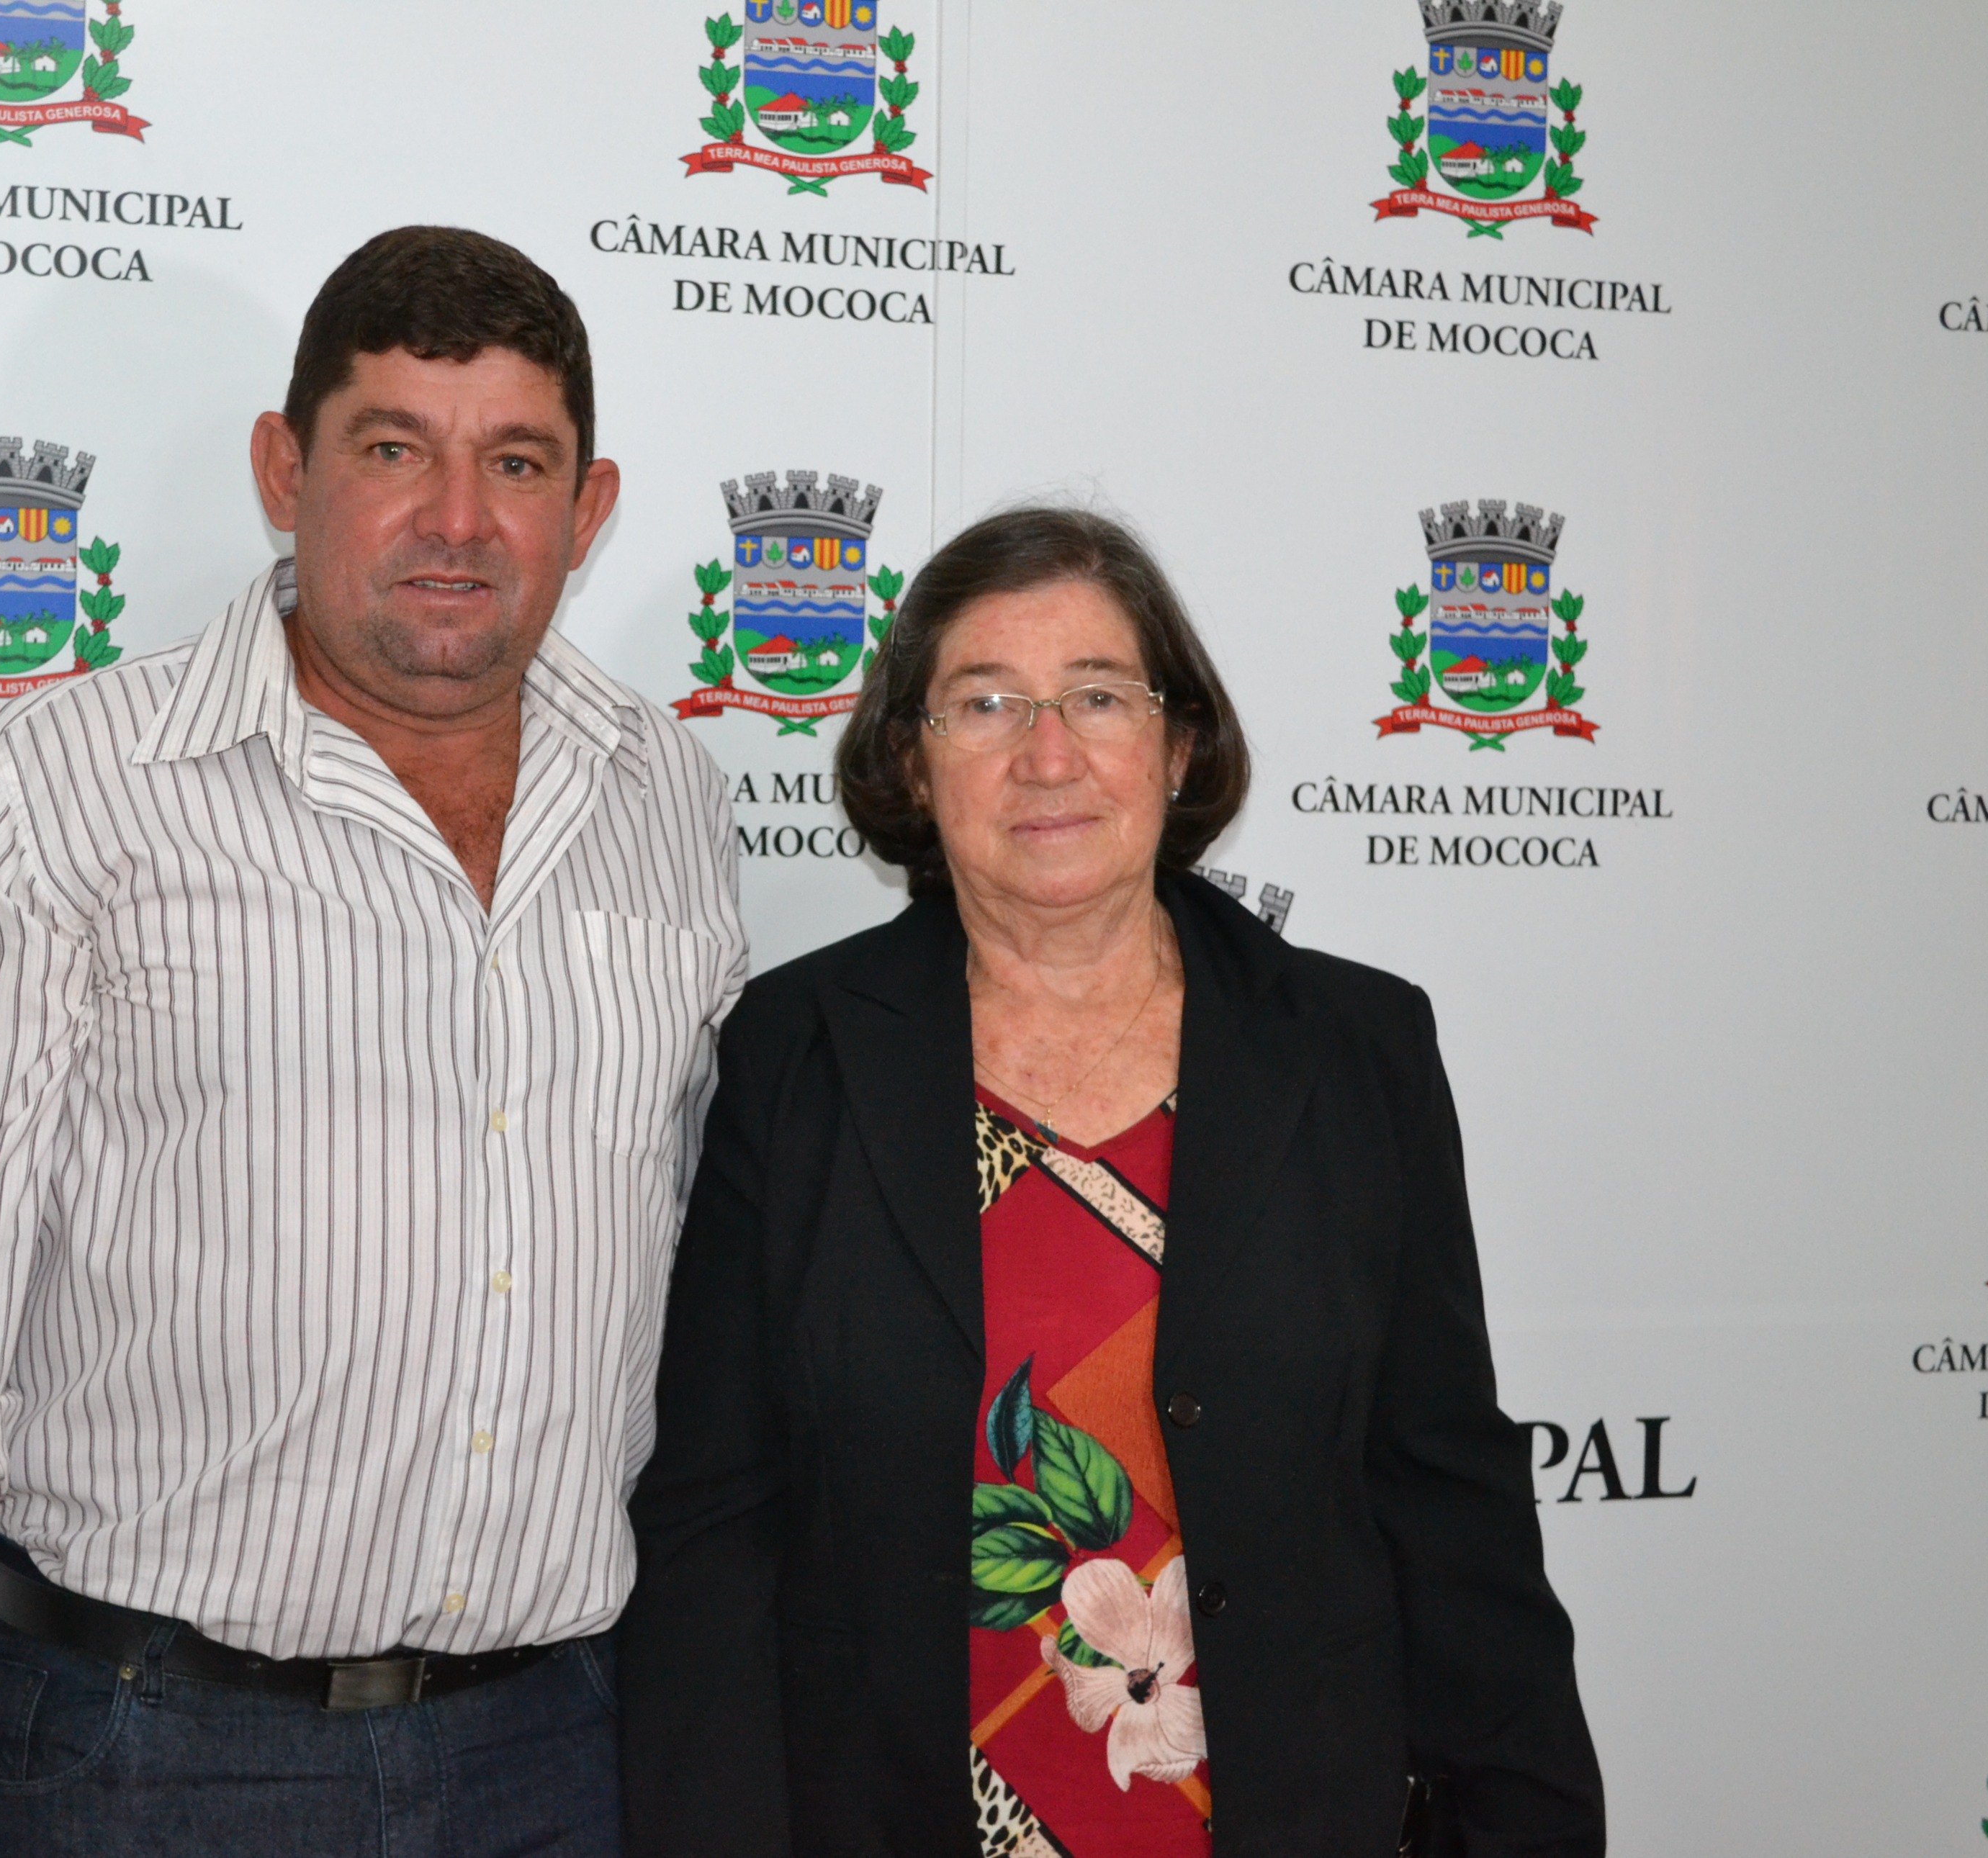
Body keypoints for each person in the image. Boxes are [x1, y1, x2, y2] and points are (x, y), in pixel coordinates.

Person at [0, 226, 747, 1857]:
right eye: (393, 449)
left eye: (516, 463)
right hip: (149, 1757)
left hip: (557, 1744)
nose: (457, 518)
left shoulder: (669, 798)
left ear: (590, 507)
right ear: (286, 470)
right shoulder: (59, 790)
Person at [616, 507, 1604, 1857]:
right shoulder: (797, 1052)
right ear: (910, 758)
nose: (1048, 755)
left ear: (1178, 744)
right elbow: (716, 1523)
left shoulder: (1354, 1048)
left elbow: (1449, 1494)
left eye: (1097, 696)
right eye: (985, 703)